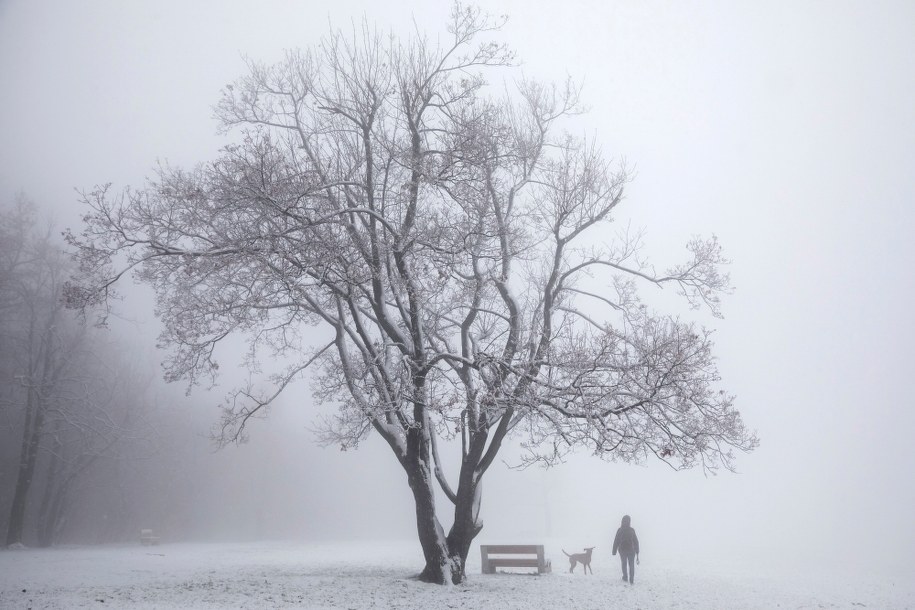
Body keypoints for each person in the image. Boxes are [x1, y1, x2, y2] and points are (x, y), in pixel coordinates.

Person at [611, 514, 640, 584]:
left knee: (624, 564)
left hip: (622, 550)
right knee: (631, 565)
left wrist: (614, 551)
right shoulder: (632, 530)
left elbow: (616, 540)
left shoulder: (620, 530)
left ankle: (625, 577)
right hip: (631, 550)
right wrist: (637, 551)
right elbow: (636, 541)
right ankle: (631, 579)